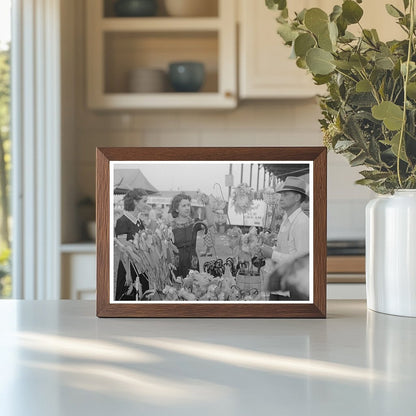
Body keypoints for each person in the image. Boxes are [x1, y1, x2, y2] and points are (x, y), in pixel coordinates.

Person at [260, 176, 309, 300]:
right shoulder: (286, 220)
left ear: (297, 197)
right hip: (280, 286)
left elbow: (302, 262)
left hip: (292, 290)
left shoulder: (302, 223)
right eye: (281, 195)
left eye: (286, 194)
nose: (281, 198)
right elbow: (284, 248)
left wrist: (272, 254)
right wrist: (267, 249)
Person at [114, 189, 149, 301]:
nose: (146, 205)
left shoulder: (139, 222)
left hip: (141, 267)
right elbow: (123, 250)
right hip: (128, 269)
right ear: (135, 202)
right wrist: (128, 274)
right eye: (144, 201)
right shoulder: (122, 221)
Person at [169, 193, 214, 278]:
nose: (187, 208)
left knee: (194, 287)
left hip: (193, 261)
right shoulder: (170, 226)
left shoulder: (194, 223)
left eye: (188, 205)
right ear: (176, 209)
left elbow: (210, 223)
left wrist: (207, 204)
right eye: (184, 206)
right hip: (177, 263)